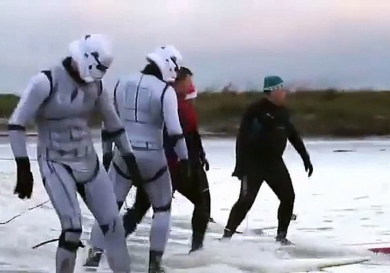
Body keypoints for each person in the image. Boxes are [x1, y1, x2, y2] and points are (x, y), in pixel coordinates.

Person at [7, 34, 161, 273]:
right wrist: (23, 166)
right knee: (72, 226)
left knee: (112, 224)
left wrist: (129, 159)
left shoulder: (97, 86)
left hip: (87, 161)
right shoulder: (45, 82)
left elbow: (113, 124)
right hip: (54, 161)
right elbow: (16, 123)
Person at [86, 45, 190, 273]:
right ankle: (155, 264)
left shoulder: (121, 83)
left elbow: (108, 122)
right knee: (162, 208)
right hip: (153, 156)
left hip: (123, 154)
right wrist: (185, 159)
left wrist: (106, 153)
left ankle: (93, 258)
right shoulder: (165, 91)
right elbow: (174, 130)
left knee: (109, 208)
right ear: (169, 65)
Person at [111, 67, 211, 254]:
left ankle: (113, 242)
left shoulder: (174, 101)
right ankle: (196, 249)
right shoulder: (171, 103)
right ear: (178, 82)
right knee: (202, 202)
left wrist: (201, 154)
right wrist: (187, 162)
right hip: (172, 165)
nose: (191, 86)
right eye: (188, 82)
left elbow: (192, 135)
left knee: (141, 207)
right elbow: (177, 136)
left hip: (164, 163)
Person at [221, 75, 313, 245]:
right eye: (281, 89)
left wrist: (305, 157)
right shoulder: (255, 110)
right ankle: (226, 237)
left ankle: (281, 237)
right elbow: (241, 139)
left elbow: (292, 134)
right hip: (253, 164)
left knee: (288, 197)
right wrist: (240, 166)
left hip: (274, 163)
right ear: (272, 91)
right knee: (246, 200)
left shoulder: (283, 112)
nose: (284, 92)